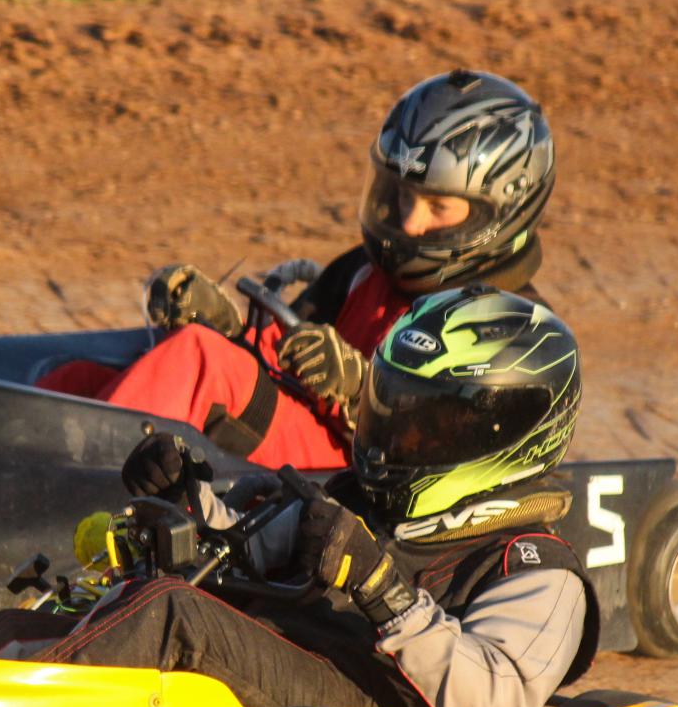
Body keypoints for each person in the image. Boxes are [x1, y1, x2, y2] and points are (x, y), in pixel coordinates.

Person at [0, 287, 596, 707]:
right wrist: (187, 499)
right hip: (300, 661)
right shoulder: (373, 501)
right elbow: (249, 546)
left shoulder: (537, 570)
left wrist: (383, 592)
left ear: (505, 435)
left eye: (430, 424)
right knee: (79, 601)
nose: (401, 435)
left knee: (172, 614)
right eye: (394, 407)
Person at [38, 68, 557, 473]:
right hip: (302, 444)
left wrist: (361, 389)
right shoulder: (365, 273)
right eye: (401, 195)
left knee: (202, 365)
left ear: (500, 212)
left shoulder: (510, 324)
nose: (408, 222)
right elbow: (284, 352)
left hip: (358, 487)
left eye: (437, 206)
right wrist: (230, 330)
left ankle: (76, 516)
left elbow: (462, 451)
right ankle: (6, 486)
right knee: (71, 379)